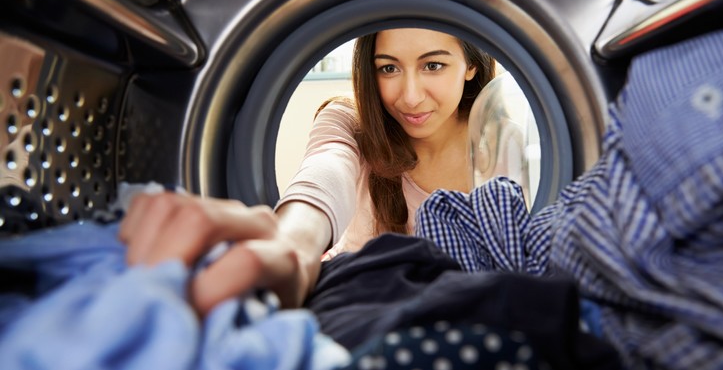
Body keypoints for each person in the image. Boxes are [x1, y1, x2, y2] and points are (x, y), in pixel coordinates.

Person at [119, 28, 495, 316]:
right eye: (389, 68)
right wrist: (292, 245)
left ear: (471, 65)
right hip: (357, 304)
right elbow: (325, 170)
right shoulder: (348, 120)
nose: (410, 96)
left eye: (433, 65)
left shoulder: (504, 141)